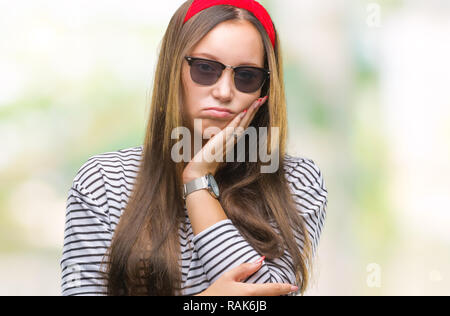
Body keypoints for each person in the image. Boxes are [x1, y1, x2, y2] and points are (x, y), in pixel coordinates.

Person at [60, 0, 328, 296]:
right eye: (205, 68)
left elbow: (268, 296)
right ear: (172, 70)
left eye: (246, 76)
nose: (224, 91)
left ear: (264, 89)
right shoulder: (104, 181)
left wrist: (198, 182)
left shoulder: (295, 180)